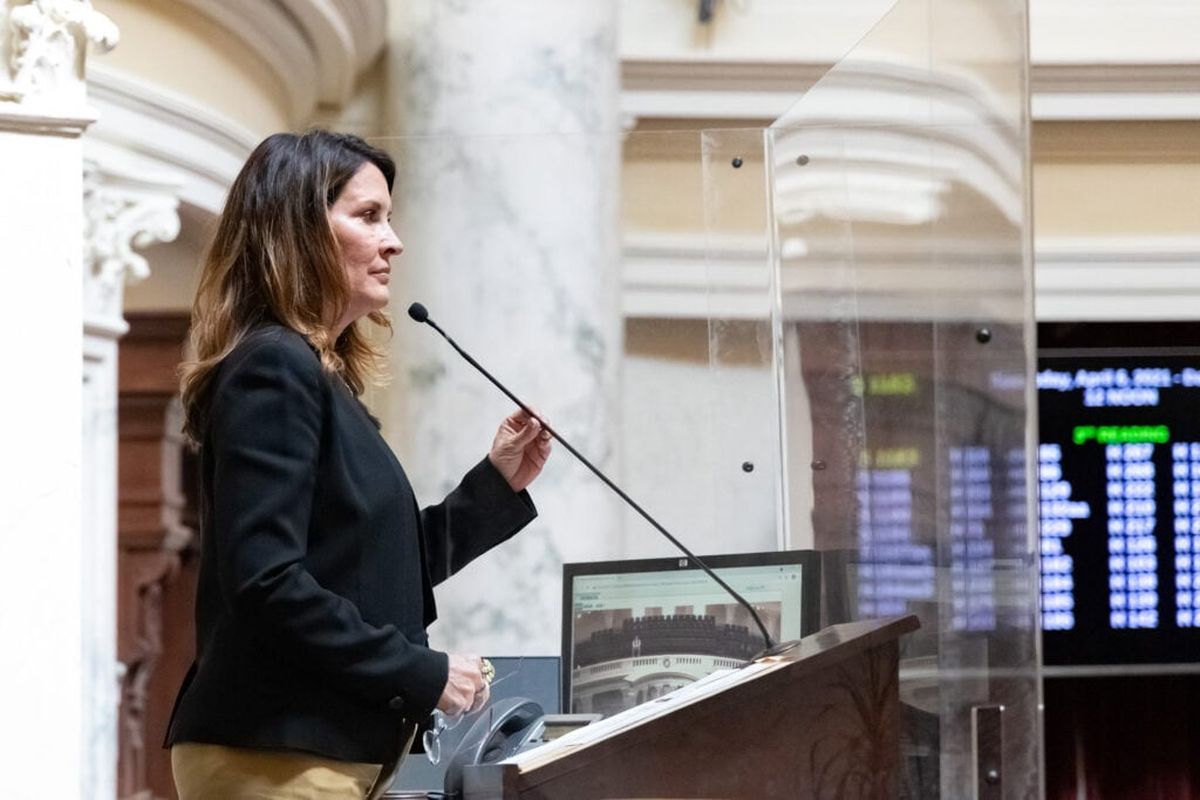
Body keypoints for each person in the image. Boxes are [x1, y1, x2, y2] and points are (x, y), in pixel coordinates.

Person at [163, 129, 552, 799]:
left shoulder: (315, 377)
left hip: (308, 752)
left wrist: (494, 486)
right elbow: (267, 583)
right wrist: (422, 672)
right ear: (300, 230)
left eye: (388, 218)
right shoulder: (274, 367)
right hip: (275, 751)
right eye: (369, 216)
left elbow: (372, 570)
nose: (393, 241)